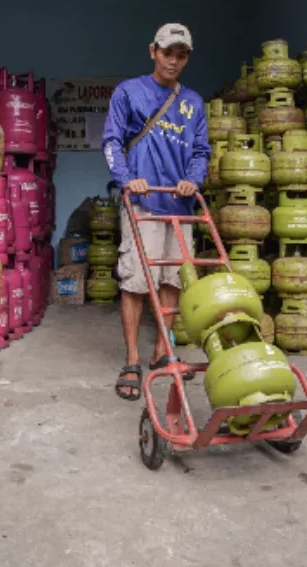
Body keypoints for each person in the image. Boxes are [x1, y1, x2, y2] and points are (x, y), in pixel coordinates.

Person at [101, 23, 210, 401]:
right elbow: (112, 141)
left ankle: (163, 351)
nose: (173, 61)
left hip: (179, 205)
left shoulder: (193, 102)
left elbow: (201, 151)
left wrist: (193, 180)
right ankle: (132, 359)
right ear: (153, 51)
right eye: (167, 53)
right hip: (143, 203)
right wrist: (127, 179)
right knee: (135, 280)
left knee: (173, 280)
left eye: (181, 55)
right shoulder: (129, 92)